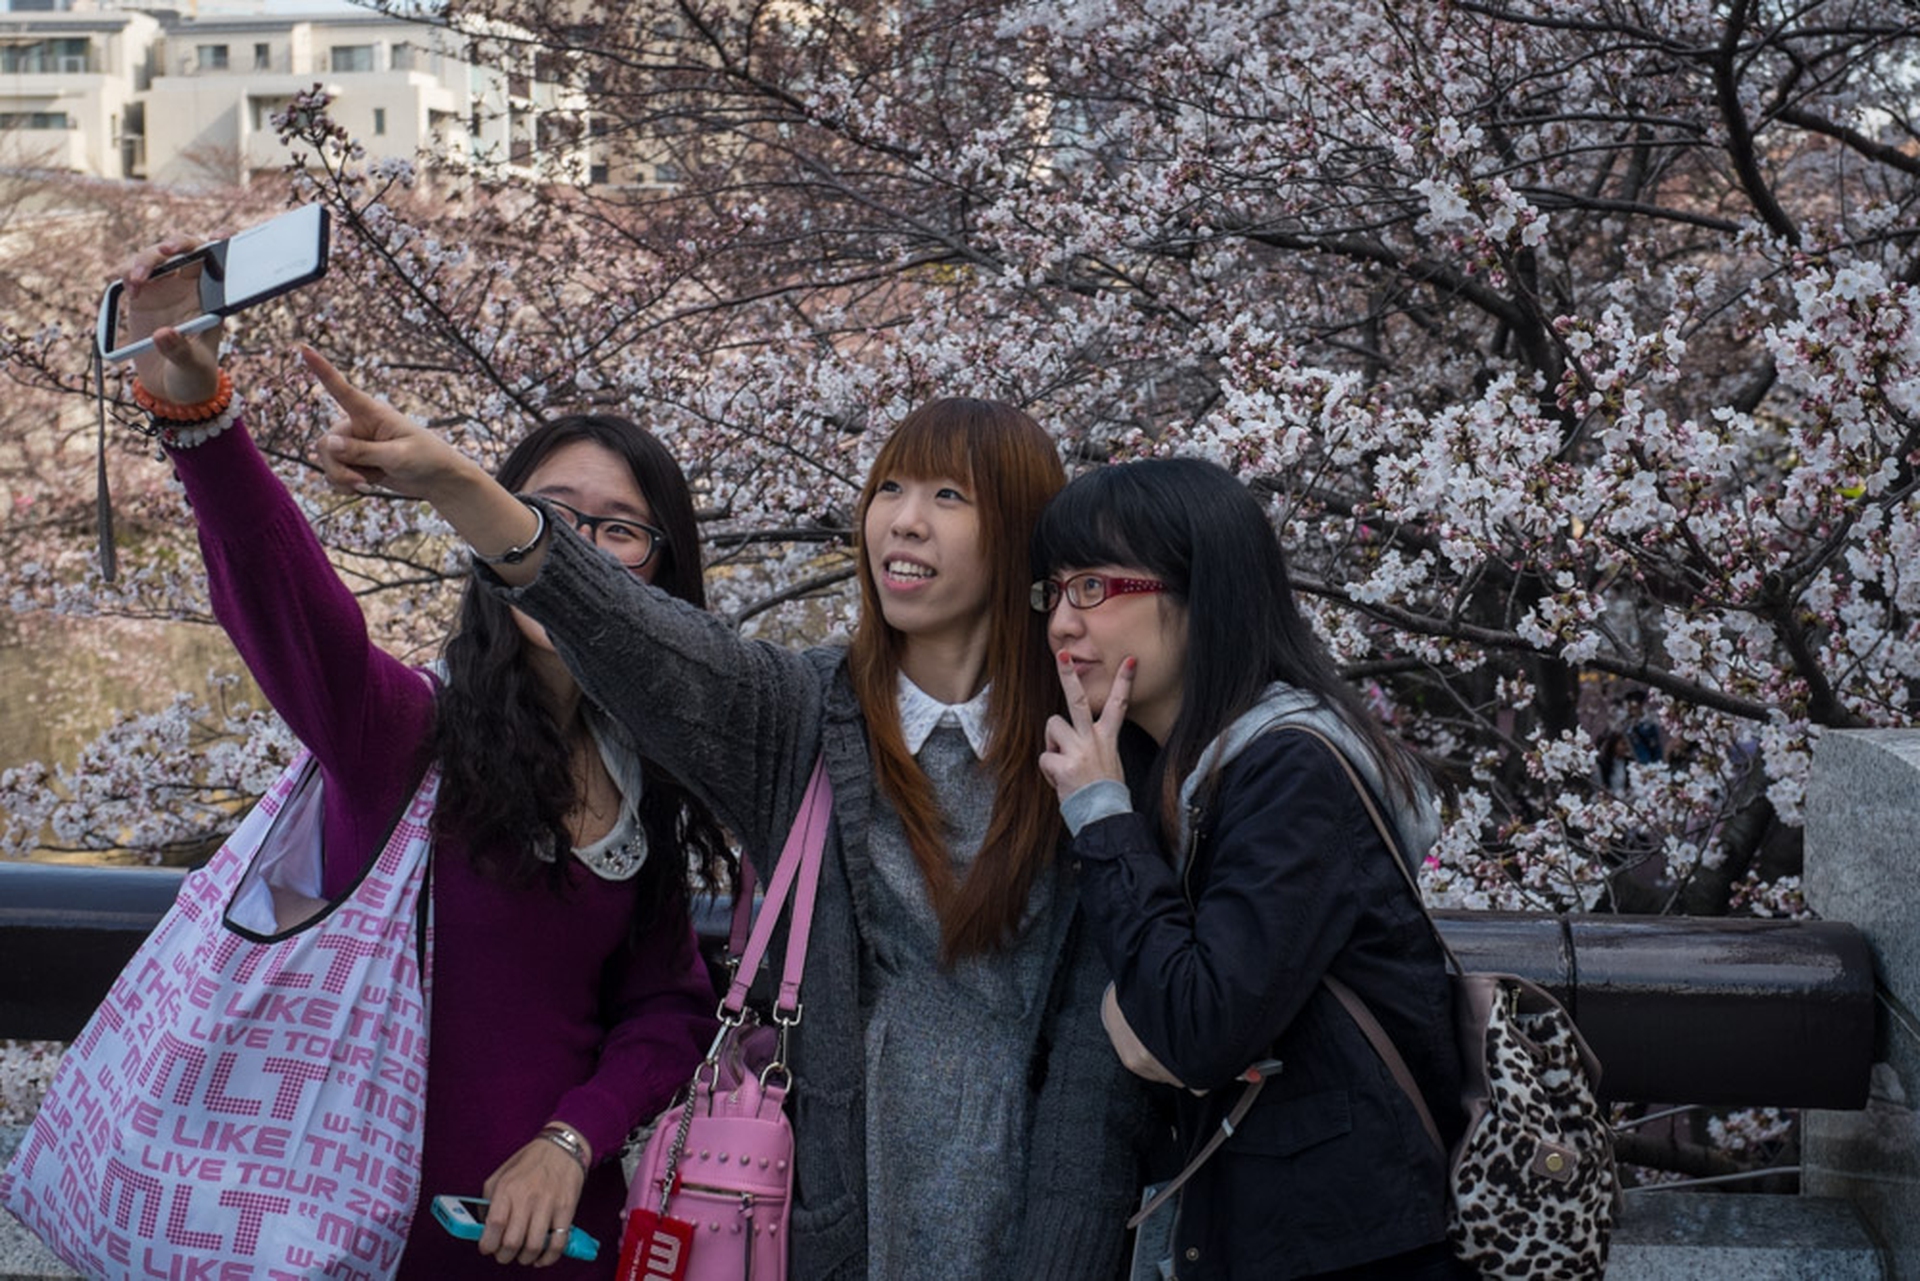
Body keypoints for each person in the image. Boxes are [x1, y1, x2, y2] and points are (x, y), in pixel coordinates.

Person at [304, 379, 1151, 1279]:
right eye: (892, 489)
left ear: (1021, 533)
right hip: (825, 1222)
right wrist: (456, 484)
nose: (905, 521)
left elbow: (1101, 1057)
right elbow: (631, 630)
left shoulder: (1089, 746)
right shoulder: (798, 715)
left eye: (950, 496)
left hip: (1030, 1214)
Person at [114, 237, 726, 1277]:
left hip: (560, 1243)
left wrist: (571, 1138)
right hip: (366, 1241)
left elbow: (663, 1005)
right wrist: (201, 421)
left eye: (618, 529)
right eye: (548, 517)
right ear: (495, 540)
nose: (576, 546)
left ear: (663, 568)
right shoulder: (404, 736)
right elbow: (291, 608)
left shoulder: (648, 770)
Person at [1033, 458, 1469, 1280]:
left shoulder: (1289, 769)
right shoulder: (1183, 773)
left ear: (1203, 592)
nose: (1061, 621)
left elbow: (1201, 1026)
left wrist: (1099, 812)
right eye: (1052, 591)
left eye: (1091, 587)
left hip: (1347, 1245)